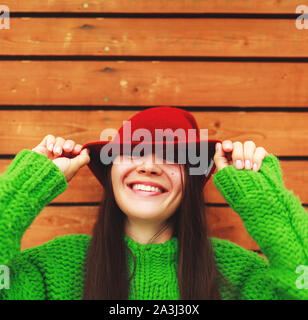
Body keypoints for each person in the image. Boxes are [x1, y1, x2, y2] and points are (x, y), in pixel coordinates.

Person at [0, 106, 307, 300]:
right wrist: (26, 183)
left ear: (191, 181)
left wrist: (263, 198)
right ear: (111, 170)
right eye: (134, 150)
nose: (149, 166)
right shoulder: (51, 269)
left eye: (172, 157)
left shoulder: (240, 275)